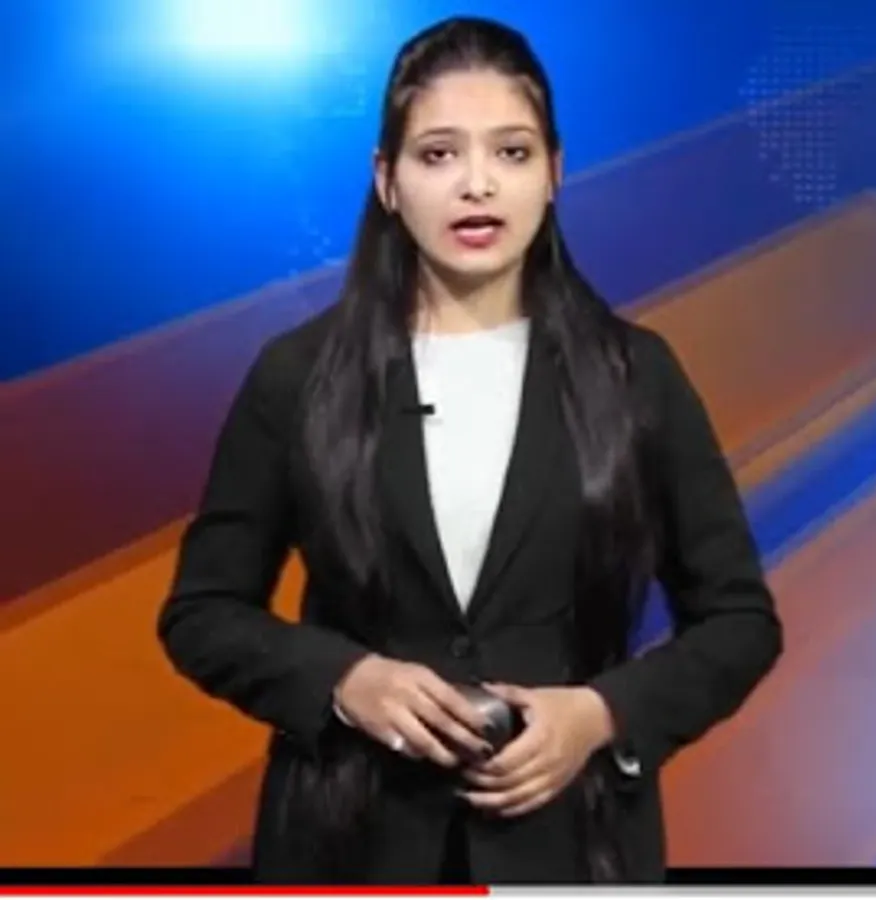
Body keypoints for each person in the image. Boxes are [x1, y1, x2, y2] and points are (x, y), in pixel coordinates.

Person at [156, 15, 783, 885]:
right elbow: (203, 612)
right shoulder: (298, 375)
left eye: (512, 153)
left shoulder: (634, 374)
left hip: (572, 846)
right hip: (348, 844)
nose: (477, 184)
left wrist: (600, 715)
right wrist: (347, 680)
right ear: (388, 180)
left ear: (554, 171)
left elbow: (740, 621)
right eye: (439, 154)